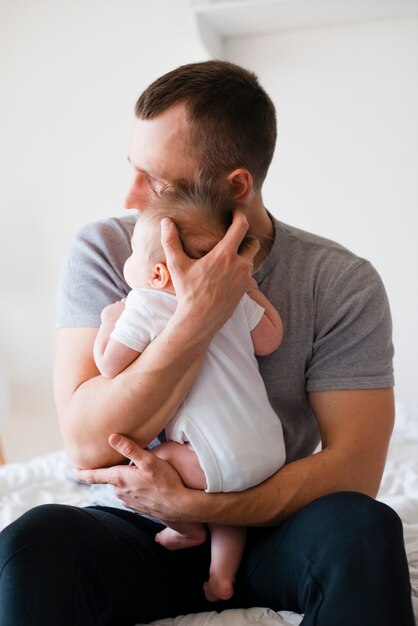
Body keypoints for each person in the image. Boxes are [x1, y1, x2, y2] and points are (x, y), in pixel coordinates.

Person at [0, 60, 414, 625]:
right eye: (133, 170)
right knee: (33, 541)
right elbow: (87, 443)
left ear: (236, 186)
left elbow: (355, 469)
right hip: (138, 524)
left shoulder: (339, 280)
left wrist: (199, 506)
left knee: (364, 528)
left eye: (157, 181)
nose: (131, 197)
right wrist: (197, 316)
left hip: (274, 525)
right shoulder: (110, 250)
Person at [93, 180, 286, 602]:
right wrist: (250, 288)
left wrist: (109, 321)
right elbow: (270, 339)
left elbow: (110, 364)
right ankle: (221, 576)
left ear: (157, 272)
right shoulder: (233, 297)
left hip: (210, 459)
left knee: (158, 461)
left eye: (132, 256)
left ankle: (187, 527)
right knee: (227, 489)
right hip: (269, 455)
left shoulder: (144, 302)